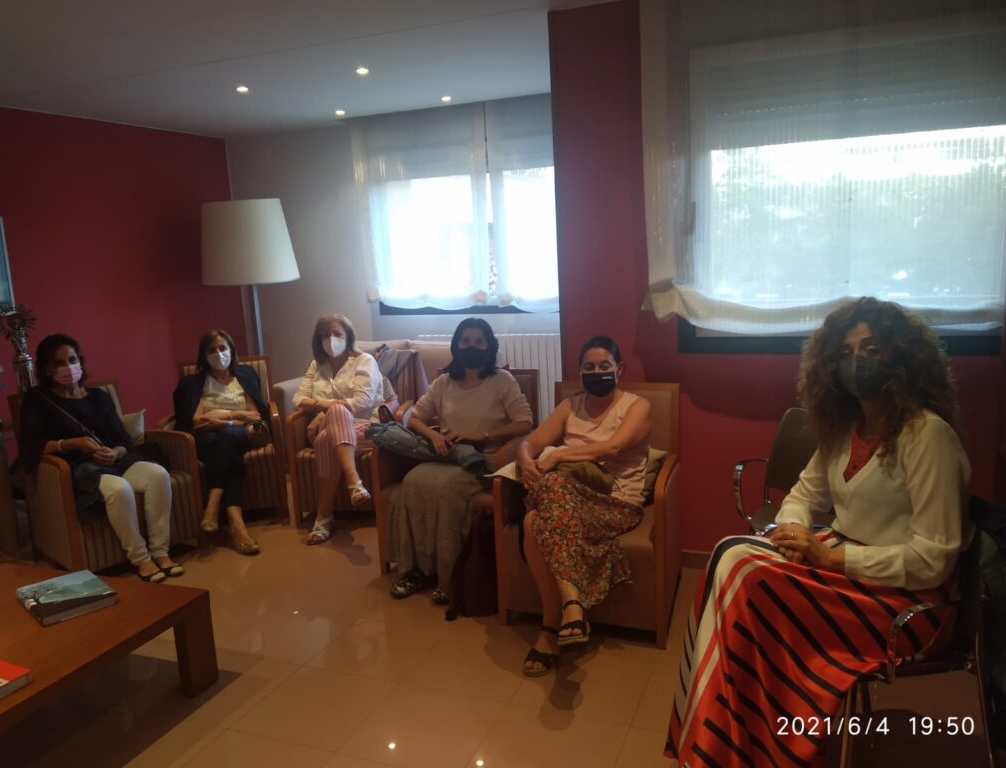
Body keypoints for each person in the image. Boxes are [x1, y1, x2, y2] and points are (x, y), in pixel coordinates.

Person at [666, 298, 971, 767]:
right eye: (846, 352)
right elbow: (803, 495)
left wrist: (831, 558)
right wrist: (792, 530)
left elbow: (935, 559)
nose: (857, 361)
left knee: (745, 571)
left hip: (905, 602)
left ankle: (738, 744)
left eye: (871, 349)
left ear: (901, 357)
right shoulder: (845, 430)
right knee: (729, 556)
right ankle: (731, 737)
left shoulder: (927, 435)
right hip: (848, 572)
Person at [516, 336, 650, 676]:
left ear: (619, 369)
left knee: (542, 506)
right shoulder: (570, 406)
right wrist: (526, 459)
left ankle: (556, 621)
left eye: (605, 366)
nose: (597, 372)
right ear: (579, 372)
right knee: (532, 521)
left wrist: (558, 455)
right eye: (589, 367)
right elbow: (530, 442)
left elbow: (614, 448)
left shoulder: (637, 406)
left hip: (616, 502)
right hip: (568, 497)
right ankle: (567, 612)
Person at [387, 318, 533, 604]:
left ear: (489, 347)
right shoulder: (443, 382)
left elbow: (524, 422)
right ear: (456, 345)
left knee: (446, 489)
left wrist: (482, 435)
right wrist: (434, 436)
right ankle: (415, 569)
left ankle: (449, 575)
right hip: (449, 456)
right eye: (466, 341)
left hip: (486, 459)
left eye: (479, 341)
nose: (472, 347)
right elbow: (414, 418)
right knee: (412, 481)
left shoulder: (502, 381)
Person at [19, 333, 182, 582]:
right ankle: (141, 559)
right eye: (59, 363)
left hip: (113, 459)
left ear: (80, 361)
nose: (68, 367)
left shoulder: (99, 397)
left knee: (158, 475)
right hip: (78, 466)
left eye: (72, 360)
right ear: (47, 369)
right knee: (120, 489)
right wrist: (72, 443)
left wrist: (115, 451)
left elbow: (123, 440)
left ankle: (161, 552)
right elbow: (31, 445)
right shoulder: (38, 399)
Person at [173, 329, 271, 555]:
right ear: (203, 355)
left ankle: (213, 505)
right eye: (212, 350)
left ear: (231, 350)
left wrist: (222, 419)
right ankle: (237, 525)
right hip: (206, 438)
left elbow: (254, 416)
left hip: (241, 433)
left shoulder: (245, 375)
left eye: (222, 348)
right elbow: (197, 421)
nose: (218, 354)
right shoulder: (193, 383)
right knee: (229, 453)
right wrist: (235, 415)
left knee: (227, 437)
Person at [295, 314, 385, 545]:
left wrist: (321, 413)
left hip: (369, 426)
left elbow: (362, 402)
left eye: (337, 334)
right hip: (337, 426)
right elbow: (299, 398)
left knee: (325, 438)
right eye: (325, 335)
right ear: (318, 340)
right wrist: (328, 408)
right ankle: (354, 483)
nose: (331, 339)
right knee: (335, 413)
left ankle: (323, 517)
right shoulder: (316, 365)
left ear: (349, 337)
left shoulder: (364, 360)